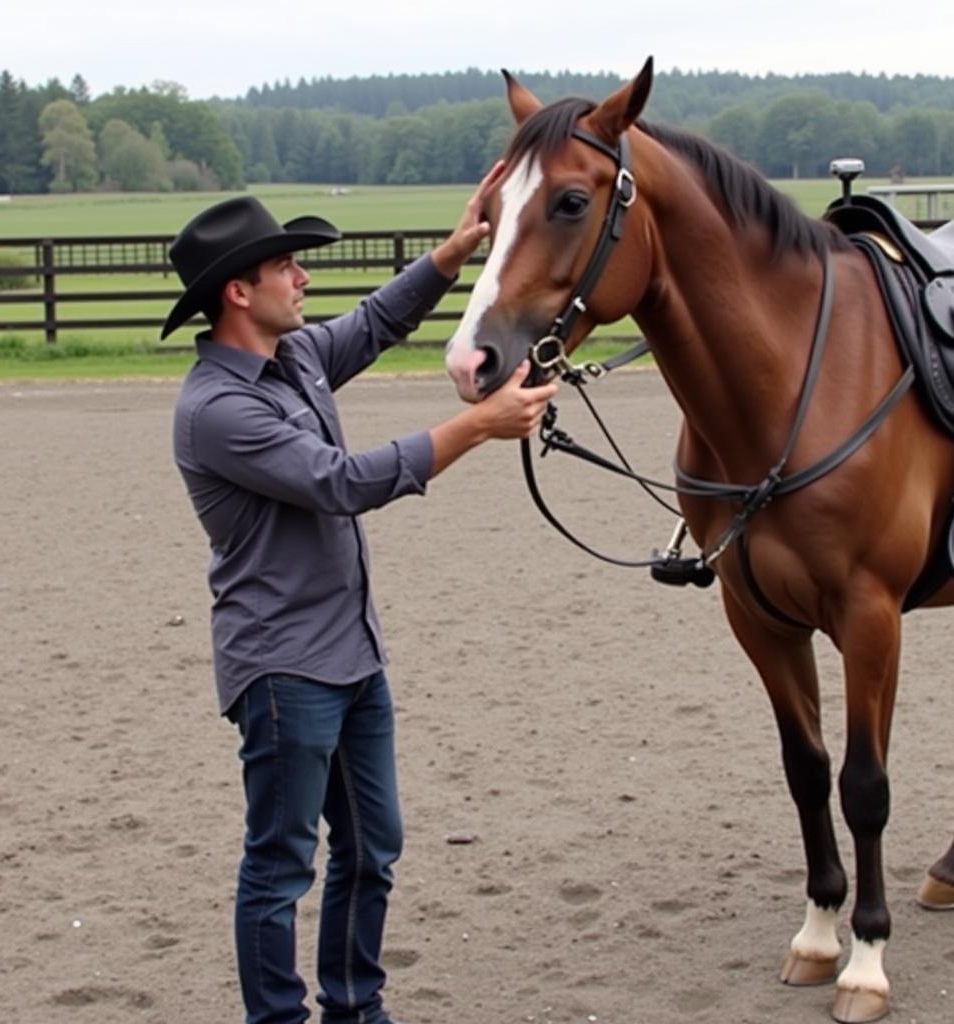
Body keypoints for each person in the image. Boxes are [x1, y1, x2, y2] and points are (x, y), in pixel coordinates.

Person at [167, 177, 557, 1024]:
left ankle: (355, 1008)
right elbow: (341, 483)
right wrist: (480, 427)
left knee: (373, 848)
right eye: (285, 266)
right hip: (282, 668)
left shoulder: (293, 358)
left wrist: (452, 256)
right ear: (240, 292)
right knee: (280, 865)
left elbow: (377, 322)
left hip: (353, 653)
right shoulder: (216, 409)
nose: (302, 278)